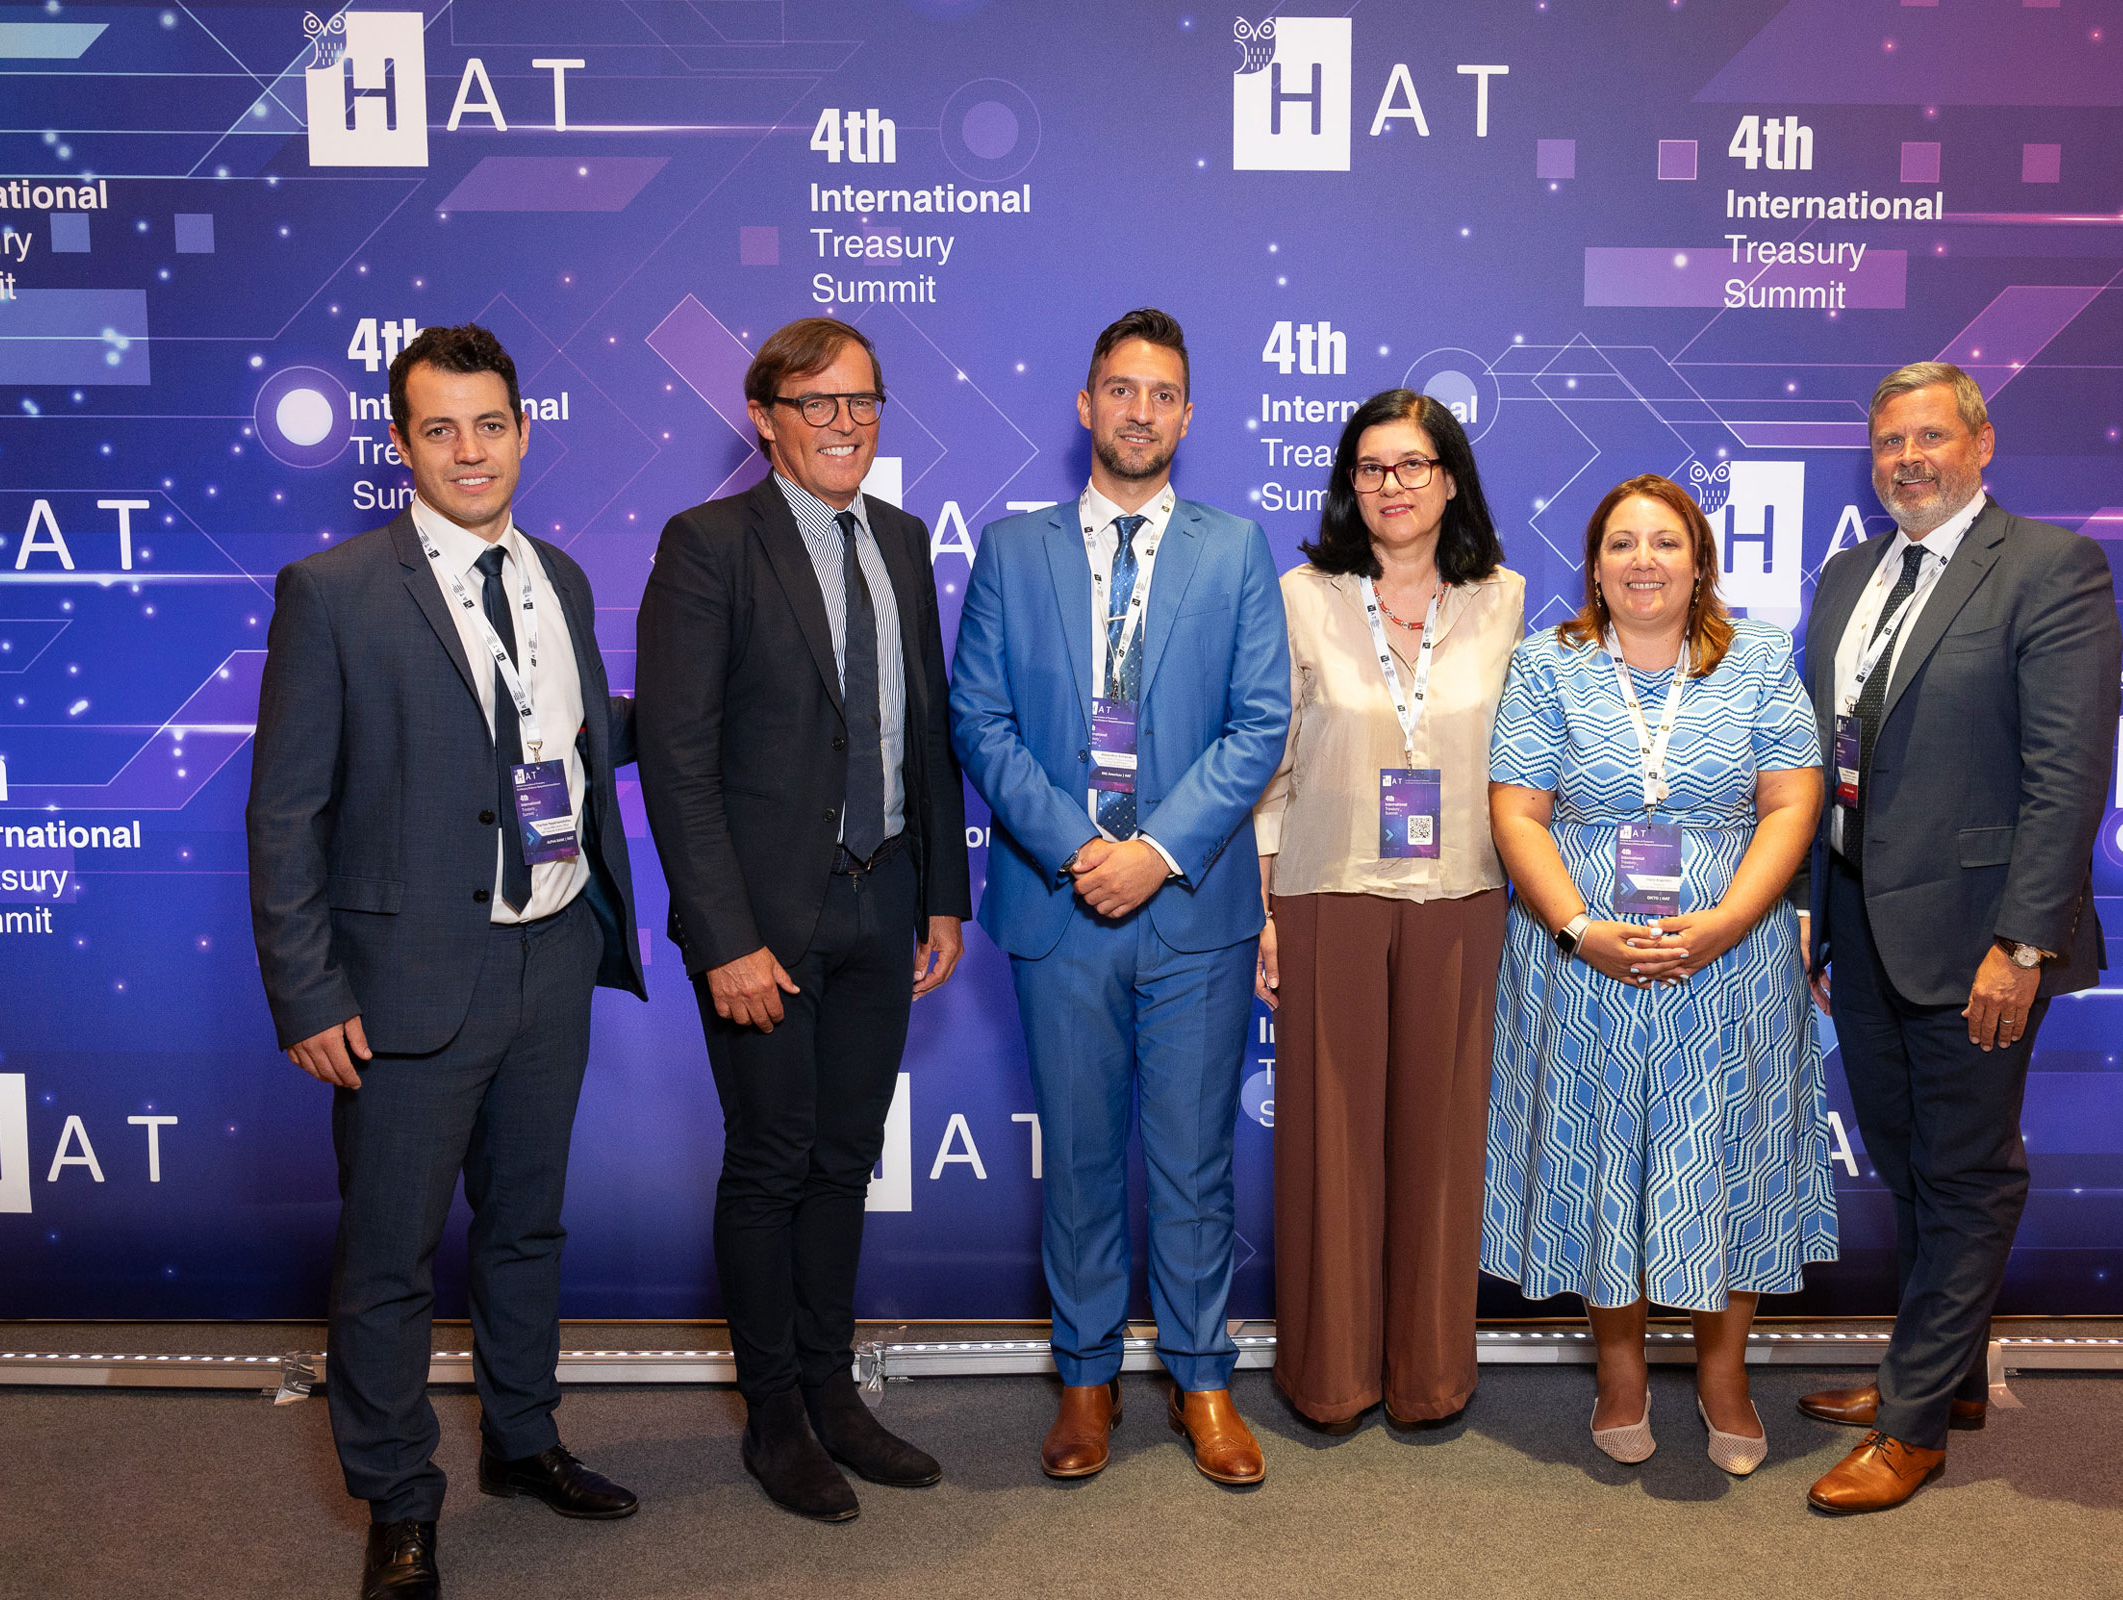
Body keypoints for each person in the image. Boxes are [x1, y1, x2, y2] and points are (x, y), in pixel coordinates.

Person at [246, 323, 648, 1600]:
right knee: (389, 1257)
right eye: (439, 429)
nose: (469, 451)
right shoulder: (333, 590)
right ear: (401, 443)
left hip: (554, 955)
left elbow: (569, 734)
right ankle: (400, 1502)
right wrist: (308, 991)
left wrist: (714, 708)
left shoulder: (559, 578)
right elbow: (284, 811)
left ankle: (523, 1441)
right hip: (405, 983)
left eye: (489, 425)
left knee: (526, 1228)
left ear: (524, 431)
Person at [635, 316, 970, 1522]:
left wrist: (942, 892)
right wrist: (723, 936)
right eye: (816, 402)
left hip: (884, 900)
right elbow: (675, 759)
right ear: (765, 418)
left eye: (861, 401)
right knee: (771, 1160)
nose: (843, 423)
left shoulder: (902, 539)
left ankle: (833, 1393)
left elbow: (923, 727)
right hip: (763, 924)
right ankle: (772, 1413)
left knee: (842, 1159)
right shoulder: (708, 543)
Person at [950, 308, 1290, 1487]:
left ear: (1187, 416)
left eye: (1161, 393)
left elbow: (1258, 724)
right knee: (1083, 1158)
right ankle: (1085, 1379)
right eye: (1119, 388)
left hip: (1191, 909)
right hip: (1060, 906)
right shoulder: (1011, 550)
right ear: (1084, 405)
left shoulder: (1234, 549)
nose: (1139, 411)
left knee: (1194, 1162)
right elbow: (977, 718)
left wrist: (1154, 850)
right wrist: (1073, 845)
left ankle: (1202, 1382)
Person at [1797, 362, 2121, 1514]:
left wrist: (2022, 945)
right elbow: (1825, 759)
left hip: (1980, 936)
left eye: (1929, 436)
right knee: (1908, 1159)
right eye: (1888, 441)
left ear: (1980, 444)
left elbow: (2065, 776)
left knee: (1968, 1172)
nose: (1907, 459)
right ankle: (1941, 1374)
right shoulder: (1847, 576)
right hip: (1859, 922)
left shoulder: (2048, 567)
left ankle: (1913, 1422)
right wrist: (1813, 910)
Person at [1484, 472, 1832, 1477]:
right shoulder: (1546, 664)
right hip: (1580, 963)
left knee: (1721, 1159)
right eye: (1621, 543)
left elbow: (1790, 802)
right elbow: (1516, 811)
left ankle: (1724, 1378)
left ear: (1698, 562)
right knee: (1607, 1161)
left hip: (1730, 963)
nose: (1643, 560)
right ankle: (1621, 1372)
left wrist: (1728, 920)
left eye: (1665, 542)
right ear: (1593, 567)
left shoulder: (1757, 657)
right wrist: (1576, 926)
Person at [1251, 389, 1525, 1432]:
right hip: (1327, 890)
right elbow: (1269, 768)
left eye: (1412, 464)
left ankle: (1427, 1376)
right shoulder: (1300, 596)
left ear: (1449, 479)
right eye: (1369, 467)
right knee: (1330, 1146)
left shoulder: (1503, 599)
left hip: (1461, 894)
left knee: (1441, 1146)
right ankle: (1329, 1376)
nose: (1390, 485)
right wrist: (1266, 909)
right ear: (1346, 485)